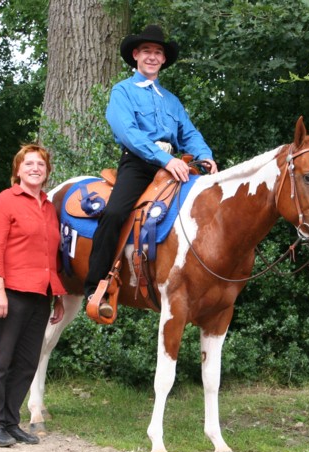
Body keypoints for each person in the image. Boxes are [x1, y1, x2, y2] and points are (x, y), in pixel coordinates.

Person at [85, 24, 218, 318]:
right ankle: (96, 285)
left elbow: (189, 133)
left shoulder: (171, 100)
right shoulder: (123, 92)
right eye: (147, 51)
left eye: (158, 52)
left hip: (175, 167)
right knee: (116, 213)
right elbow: (129, 133)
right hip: (139, 164)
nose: (152, 57)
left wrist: (205, 156)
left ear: (163, 60)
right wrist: (163, 158)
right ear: (135, 55)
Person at [0, 144, 66, 447]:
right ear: (18, 170)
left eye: (40, 165)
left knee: (28, 362)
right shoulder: (5, 201)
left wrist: (57, 296)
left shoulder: (48, 207)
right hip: (11, 292)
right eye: (28, 164)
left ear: (47, 172)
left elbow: (51, 256)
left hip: (41, 294)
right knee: (1, 360)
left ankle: (10, 420)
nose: (35, 168)